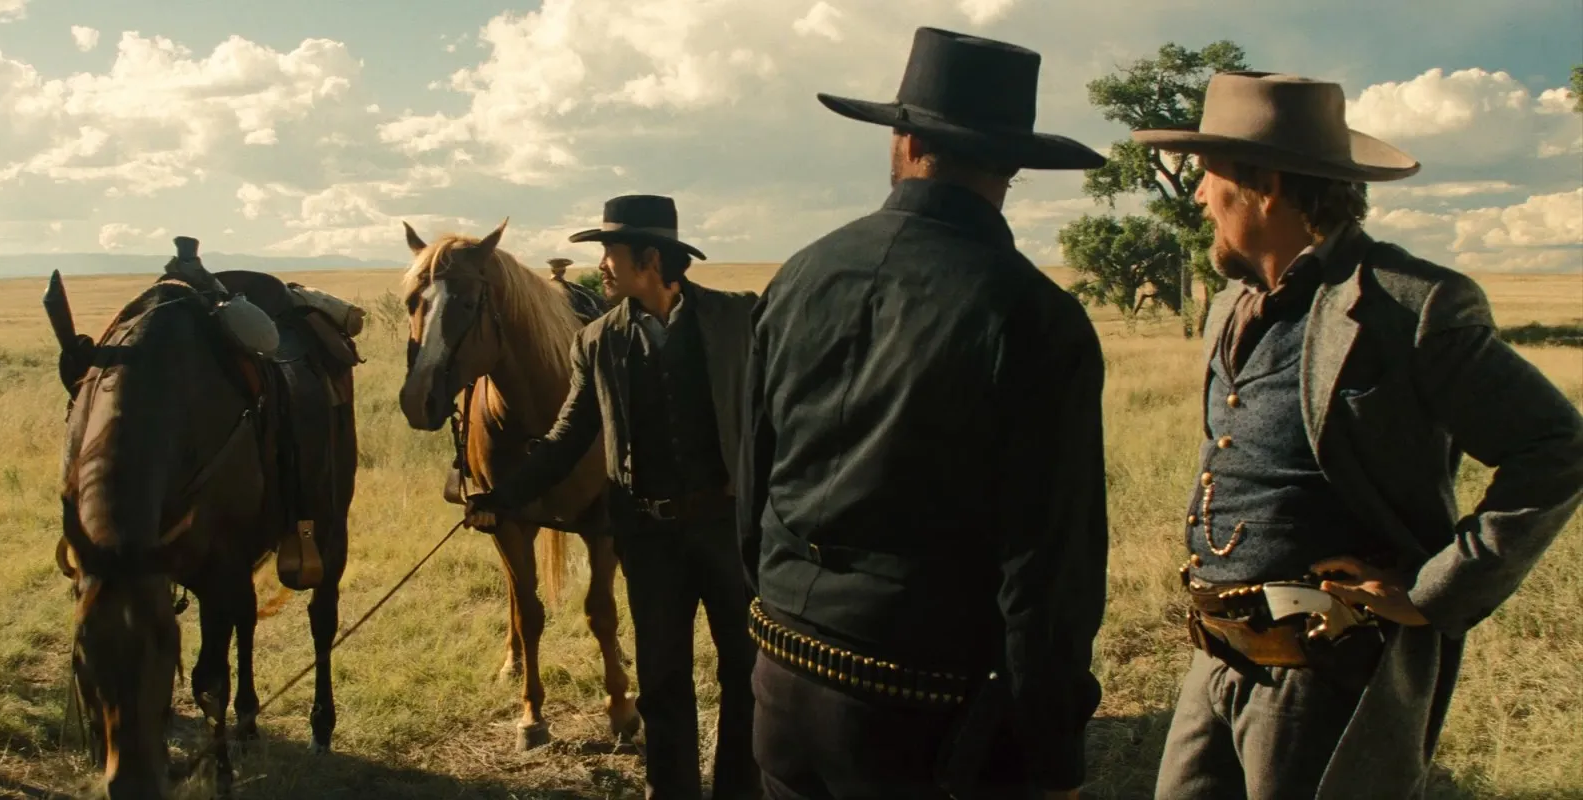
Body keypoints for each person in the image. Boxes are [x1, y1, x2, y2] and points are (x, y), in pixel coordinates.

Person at [1136, 71, 1583, 799]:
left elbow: (1557, 447)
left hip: (1323, 667)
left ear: (1264, 185)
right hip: (1214, 651)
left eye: (1208, 175)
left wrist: (1432, 592)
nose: (1198, 196)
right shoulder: (1228, 305)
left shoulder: (1410, 306)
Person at [739, 28, 1110, 799]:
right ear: (1012, 166)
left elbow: (754, 486)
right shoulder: (1035, 317)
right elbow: (1049, 568)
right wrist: (1053, 755)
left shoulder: (799, 275)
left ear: (904, 141)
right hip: (925, 710)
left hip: (781, 675)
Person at [464, 195, 760, 800]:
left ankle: (739, 790)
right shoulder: (597, 341)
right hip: (649, 539)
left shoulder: (737, 320)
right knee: (662, 680)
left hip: (727, 529)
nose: (600, 265)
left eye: (610, 252)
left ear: (650, 259)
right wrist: (502, 496)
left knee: (744, 673)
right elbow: (566, 437)